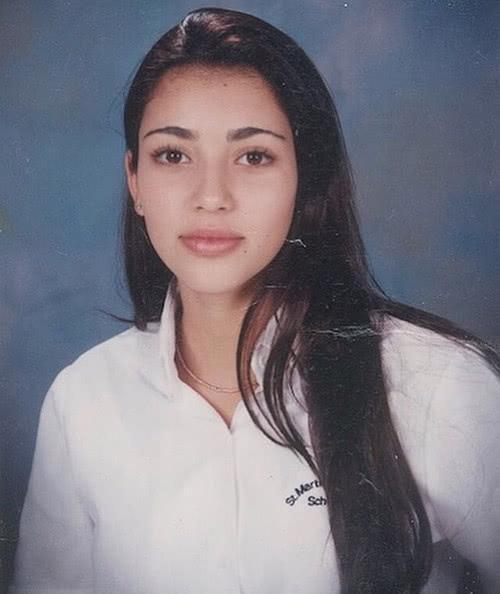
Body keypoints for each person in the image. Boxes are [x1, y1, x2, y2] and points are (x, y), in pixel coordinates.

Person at [9, 7, 500, 594]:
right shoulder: (83, 403)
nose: (211, 196)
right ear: (135, 181)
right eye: (173, 155)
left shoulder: (436, 384)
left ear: (304, 177)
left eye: (253, 156)